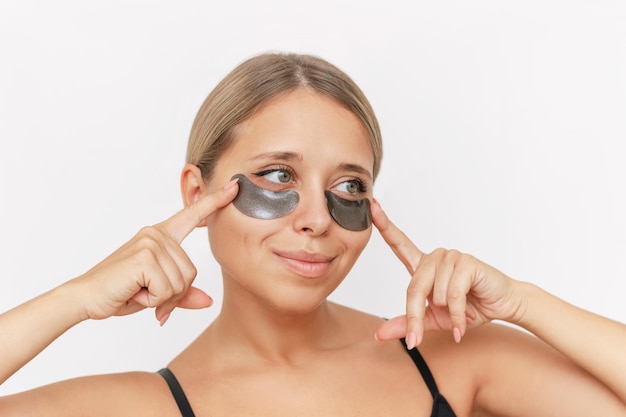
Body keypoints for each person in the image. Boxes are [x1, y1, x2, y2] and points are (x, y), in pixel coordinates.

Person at [0, 52, 625, 417]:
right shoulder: (146, 406)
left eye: (348, 186)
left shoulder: (452, 362)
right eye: (277, 175)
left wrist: (522, 303)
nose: (317, 218)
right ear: (197, 194)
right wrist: (76, 298)